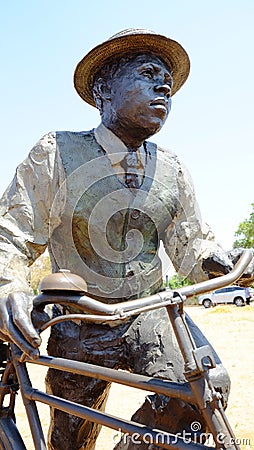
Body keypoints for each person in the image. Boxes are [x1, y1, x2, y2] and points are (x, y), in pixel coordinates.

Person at [0, 29, 253, 450]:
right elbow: (11, 235)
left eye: (168, 84)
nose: (164, 87)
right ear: (103, 91)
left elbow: (193, 250)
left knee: (206, 391)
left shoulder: (172, 168)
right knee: (71, 438)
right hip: (79, 320)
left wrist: (225, 261)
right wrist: (8, 285)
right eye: (149, 74)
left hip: (151, 314)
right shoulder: (56, 152)